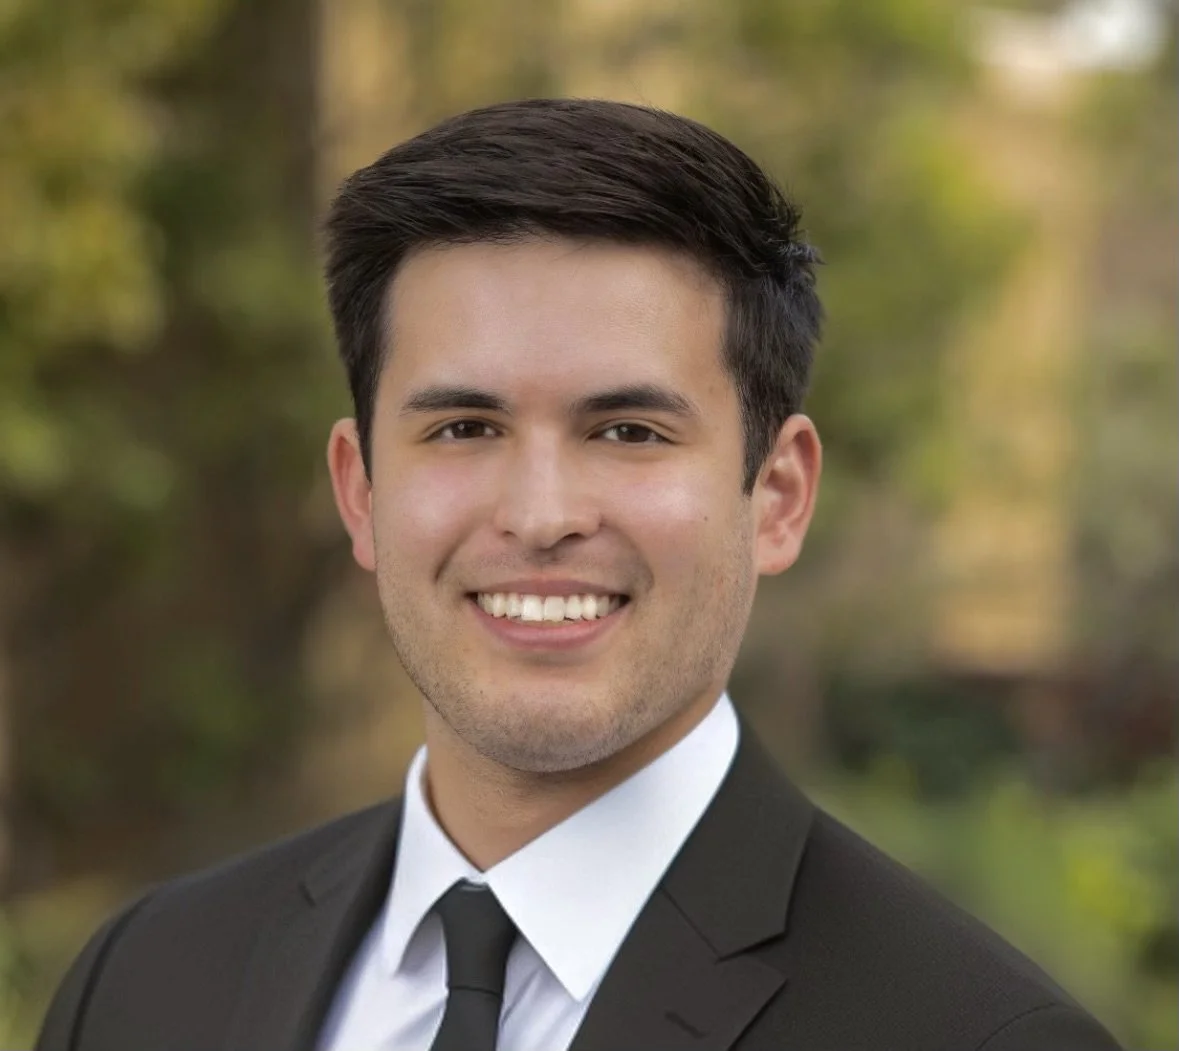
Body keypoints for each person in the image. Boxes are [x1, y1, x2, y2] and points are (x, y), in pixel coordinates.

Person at [36, 98, 1121, 1051]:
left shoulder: (973, 1036)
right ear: (360, 489)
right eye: (464, 426)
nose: (540, 516)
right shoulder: (142, 982)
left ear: (778, 495)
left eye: (629, 432)